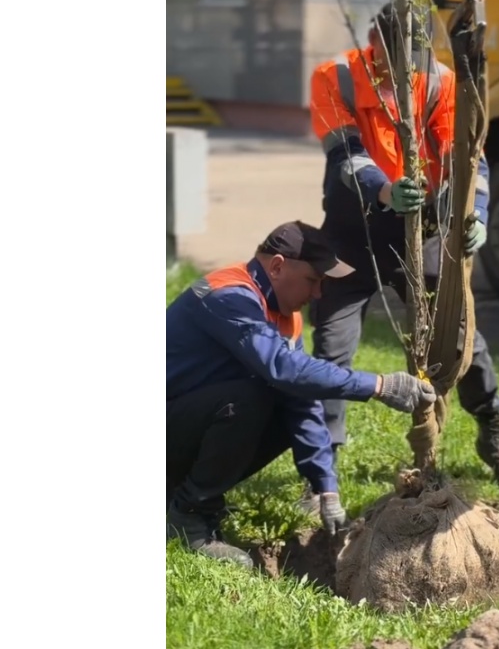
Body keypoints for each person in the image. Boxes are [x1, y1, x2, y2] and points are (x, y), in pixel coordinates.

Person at [303, 3, 499, 496]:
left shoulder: (442, 82)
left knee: (458, 335)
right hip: (351, 234)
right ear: (372, 39)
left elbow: (467, 160)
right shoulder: (336, 77)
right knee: (331, 351)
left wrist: (475, 217)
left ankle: (491, 433)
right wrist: (385, 191)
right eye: (392, 54)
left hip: (421, 231)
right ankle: (322, 473)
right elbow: (344, 154)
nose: (403, 69)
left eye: (414, 56)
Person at [165, 220, 437, 566]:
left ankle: (188, 495)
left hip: (180, 425)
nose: (318, 294)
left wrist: (326, 485)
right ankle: (188, 517)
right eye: (313, 280)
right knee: (252, 397)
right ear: (278, 266)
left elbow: (301, 397)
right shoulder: (229, 295)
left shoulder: (282, 313)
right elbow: (283, 369)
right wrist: (379, 385)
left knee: (280, 400)